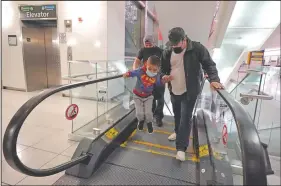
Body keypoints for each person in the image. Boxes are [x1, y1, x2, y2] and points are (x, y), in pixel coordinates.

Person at [161, 27, 223, 161]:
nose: (175, 47)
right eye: (173, 44)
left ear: (185, 39)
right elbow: (163, 69)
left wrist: (214, 80)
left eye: (177, 44)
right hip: (174, 89)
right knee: (177, 114)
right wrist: (164, 76)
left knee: (186, 117)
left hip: (190, 91)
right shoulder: (167, 51)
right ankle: (177, 132)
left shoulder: (197, 48)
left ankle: (181, 148)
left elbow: (209, 64)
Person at [124, 55, 165, 134]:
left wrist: (164, 80)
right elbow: (133, 72)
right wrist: (127, 74)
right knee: (139, 112)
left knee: (148, 112)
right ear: (146, 65)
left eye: (154, 70)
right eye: (149, 68)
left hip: (148, 96)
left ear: (158, 69)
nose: (151, 71)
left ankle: (149, 124)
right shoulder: (140, 71)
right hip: (137, 95)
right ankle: (141, 121)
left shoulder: (157, 76)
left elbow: (159, 83)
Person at [133, 35, 165, 127]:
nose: (147, 46)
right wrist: (136, 71)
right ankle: (152, 115)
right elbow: (137, 61)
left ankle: (158, 117)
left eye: (149, 44)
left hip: (158, 77)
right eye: (146, 44)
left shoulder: (160, 51)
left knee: (160, 98)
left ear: (153, 43)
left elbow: (165, 63)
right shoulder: (142, 51)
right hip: (147, 78)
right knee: (151, 97)